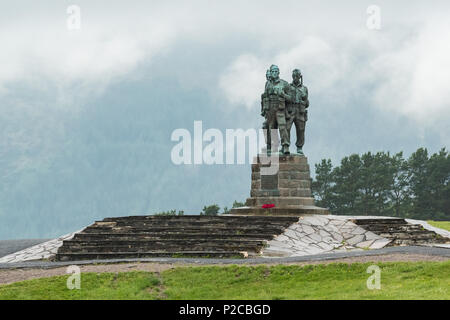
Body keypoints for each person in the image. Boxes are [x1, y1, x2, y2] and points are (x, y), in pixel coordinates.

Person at [263, 65, 291, 155]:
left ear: (278, 72)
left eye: (276, 71)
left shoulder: (284, 83)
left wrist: (282, 94)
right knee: (272, 128)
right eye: (272, 71)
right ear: (270, 73)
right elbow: (265, 97)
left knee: (283, 127)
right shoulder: (268, 84)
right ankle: (274, 147)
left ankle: (285, 146)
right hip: (270, 109)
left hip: (280, 108)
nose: (274, 73)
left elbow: (290, 98)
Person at [286, 69, 309, 155]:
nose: (295, 78)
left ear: (300, 77)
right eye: (294, 76)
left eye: (297, 76)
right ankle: (286, 145)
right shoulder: (288, 87)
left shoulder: (304, 88)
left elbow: (307, 104)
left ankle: (299, 147)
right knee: (286, 128)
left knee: (301, 130)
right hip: (290, 109)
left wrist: (304, 98)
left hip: (300, 110)